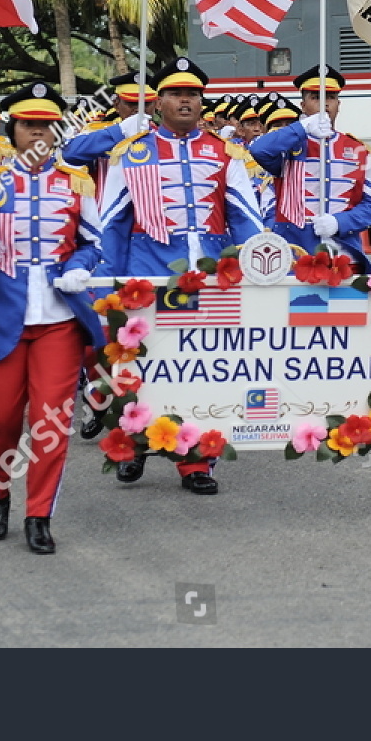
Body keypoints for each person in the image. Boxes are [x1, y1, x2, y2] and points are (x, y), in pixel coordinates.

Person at [94, 56, 265, 494]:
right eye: (175, 94)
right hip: (147, 274)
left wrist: (262, 260)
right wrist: (106, 281)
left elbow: (245, 217)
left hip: (209, 273)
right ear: (158, 102)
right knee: (139, 371)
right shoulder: (131, 152)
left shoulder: (226, 152)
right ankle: (133, 447)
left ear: (202, 102)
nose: (185, 101)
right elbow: (112, 221)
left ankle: (197, 463)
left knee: (203, 370)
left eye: (192, 94)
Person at [0, 84, 103, 554]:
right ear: (13, 129)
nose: (37, 132)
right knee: (0, 418)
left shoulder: (77, 183)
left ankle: (39, 512)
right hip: (2, 318)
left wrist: (80, 267)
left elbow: (93, 243)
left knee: (51, 422)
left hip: (59, 321)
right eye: (28, 124)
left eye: (45, 124)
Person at [248, 64, 371, 271]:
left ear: (339, 104)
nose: (324, 104)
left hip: (346, 256)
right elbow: (259, 149)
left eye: (329, 97)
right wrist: (302, 127)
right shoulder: (289, 146)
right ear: (303, 105)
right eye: (315, 97)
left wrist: (341, 222)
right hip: (295, 255)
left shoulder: (358, 150)